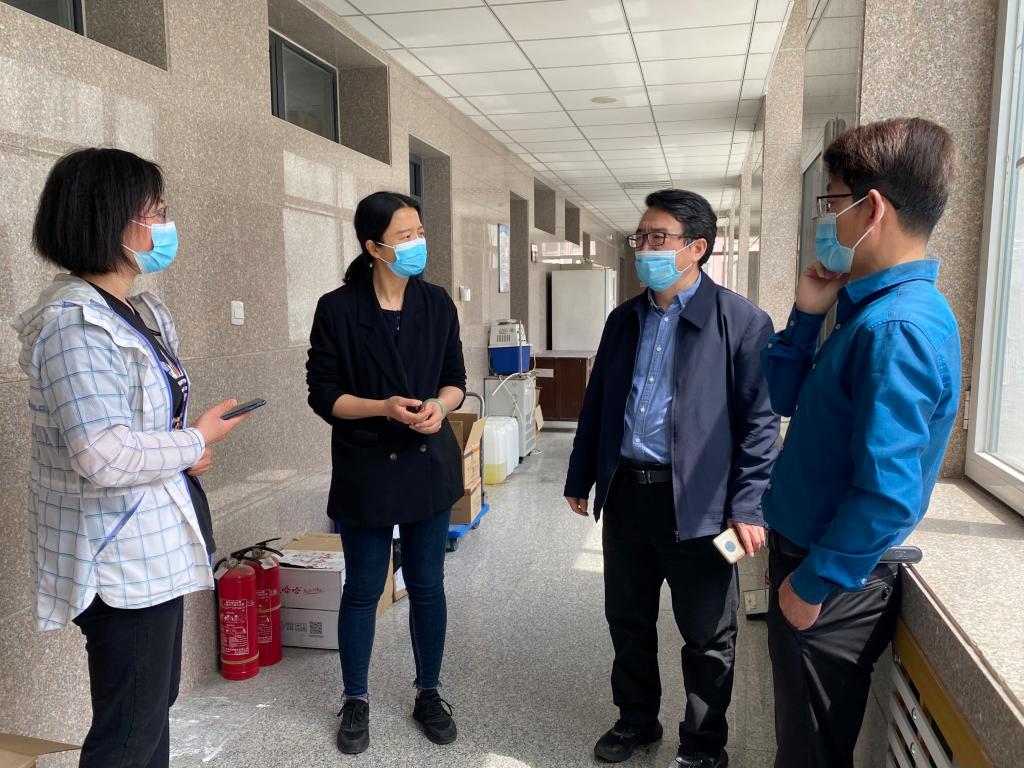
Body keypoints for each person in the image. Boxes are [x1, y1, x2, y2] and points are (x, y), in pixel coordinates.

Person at [11, 148, 251, 768]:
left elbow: (143, 428)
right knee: (128, 731)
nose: (167, 226)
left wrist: (184, 454)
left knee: (150, 708)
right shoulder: (74, 325)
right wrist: (194, 442)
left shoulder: (135, 311)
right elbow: (102, 452)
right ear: (108, 218)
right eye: (157, 213)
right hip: (118, 560)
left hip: (152, 545)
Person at [761, 117, 961, 768]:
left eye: (832, 202)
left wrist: (811, 583)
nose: (827, 221)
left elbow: (887, 494)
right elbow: (783, 398)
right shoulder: (867, 310)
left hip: (832, 577)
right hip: (818, 560)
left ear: (871, 209)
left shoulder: (895, 329)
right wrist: (806, 314)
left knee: (809, 754)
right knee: (802, 741)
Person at [564, 189, 779, 768]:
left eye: (659, 237)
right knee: (627, 620)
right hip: (628, 496)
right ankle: (636, 719)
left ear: (697, 248)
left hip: (702, 507)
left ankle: (704, 745)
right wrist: (581, 476)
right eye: (641, 237)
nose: (645, 248)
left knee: (708, 634)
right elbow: (598, 405)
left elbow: (761, 425)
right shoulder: (624, 320)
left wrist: (748, 505)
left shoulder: (741, 322)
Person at [306, 191, 467, 755]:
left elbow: (455, 379)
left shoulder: (436, 302)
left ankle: (429, 692)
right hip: (368, 465)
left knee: (427, 585)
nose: (418, 243)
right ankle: (356, 698)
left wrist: (439, 407)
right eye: (405, 235)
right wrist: (383, 407)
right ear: (374, 248)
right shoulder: (338, 309)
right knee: (363, 589)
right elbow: (323, 394)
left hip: (428, 464)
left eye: (419, 231)